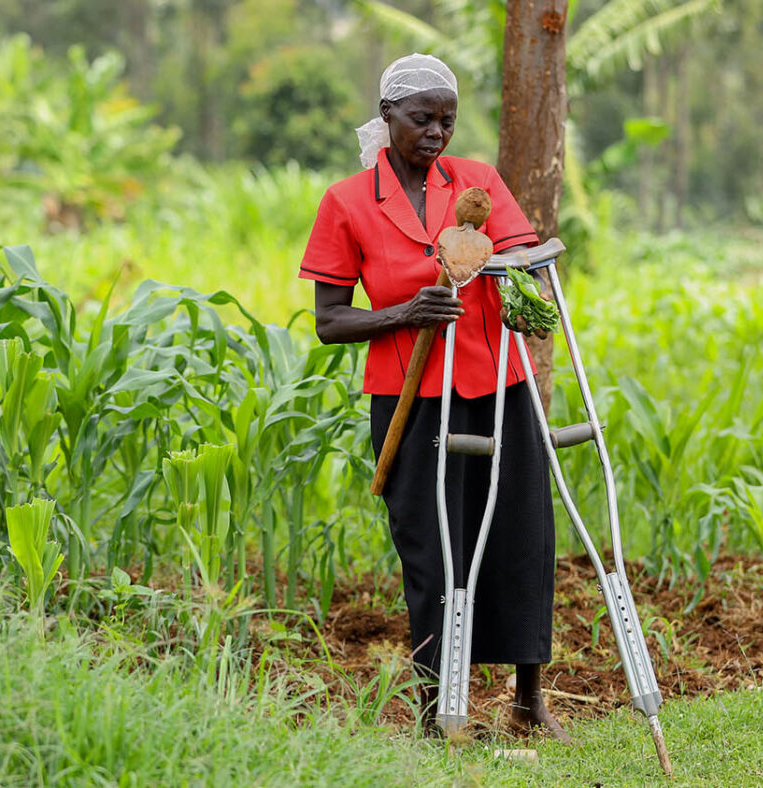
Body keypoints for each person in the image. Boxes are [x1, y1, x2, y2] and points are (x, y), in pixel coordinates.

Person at [299, 53, 567, 740]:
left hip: (497, 383)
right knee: (431, 548)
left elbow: (518, 256)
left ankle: (528, 705)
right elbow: (331, 321)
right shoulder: (348, 202)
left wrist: (517, 281)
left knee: (520, 533)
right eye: (422, 119)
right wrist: (403, 314)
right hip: (411, 397)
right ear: (387, 116)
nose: (436, 133)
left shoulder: (474, 181)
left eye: (447, 120)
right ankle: (436, 713)